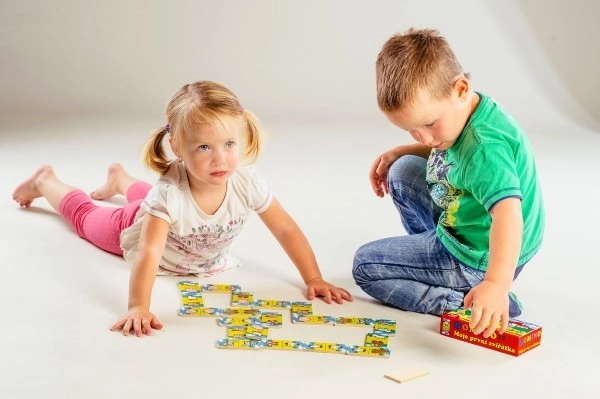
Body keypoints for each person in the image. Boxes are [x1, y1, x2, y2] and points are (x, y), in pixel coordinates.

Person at [13, 80, 353, 337]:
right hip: (129, 226)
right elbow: (149, 251)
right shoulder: (168, 195)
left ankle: (120, 180)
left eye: (229, 144)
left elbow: (286, 229)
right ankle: (46, 181)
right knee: (86, 218)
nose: (220, 159)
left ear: (242, 138)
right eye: (204, 147)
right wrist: (139, 307)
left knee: (160, 198)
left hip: (171, 218)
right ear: (176, 145)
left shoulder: (247, 181)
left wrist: (314, 277)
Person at [352, 28, 544, 338]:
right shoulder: (468, 109)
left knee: (364, 266)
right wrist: (402, 151)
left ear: (460, 89)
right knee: (402, 171)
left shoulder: (484, 149)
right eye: (412, 132)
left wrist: (495, 284)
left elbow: (508, 212)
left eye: (429, 124)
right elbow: (450, 152)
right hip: (480, 230)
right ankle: (442, 266)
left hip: (480, 256)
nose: (425, 138)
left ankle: (467, 300)